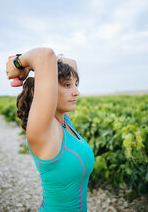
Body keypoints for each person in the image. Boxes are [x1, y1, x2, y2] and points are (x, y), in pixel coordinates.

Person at [6, 48, 95, 212]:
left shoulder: (63, 121)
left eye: (75, 84)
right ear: (48, 91)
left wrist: (30, 69)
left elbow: (70, 64)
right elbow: (45, 56)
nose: (76, 92)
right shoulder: (44, 130)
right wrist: (19, 62)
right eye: (67, 85)